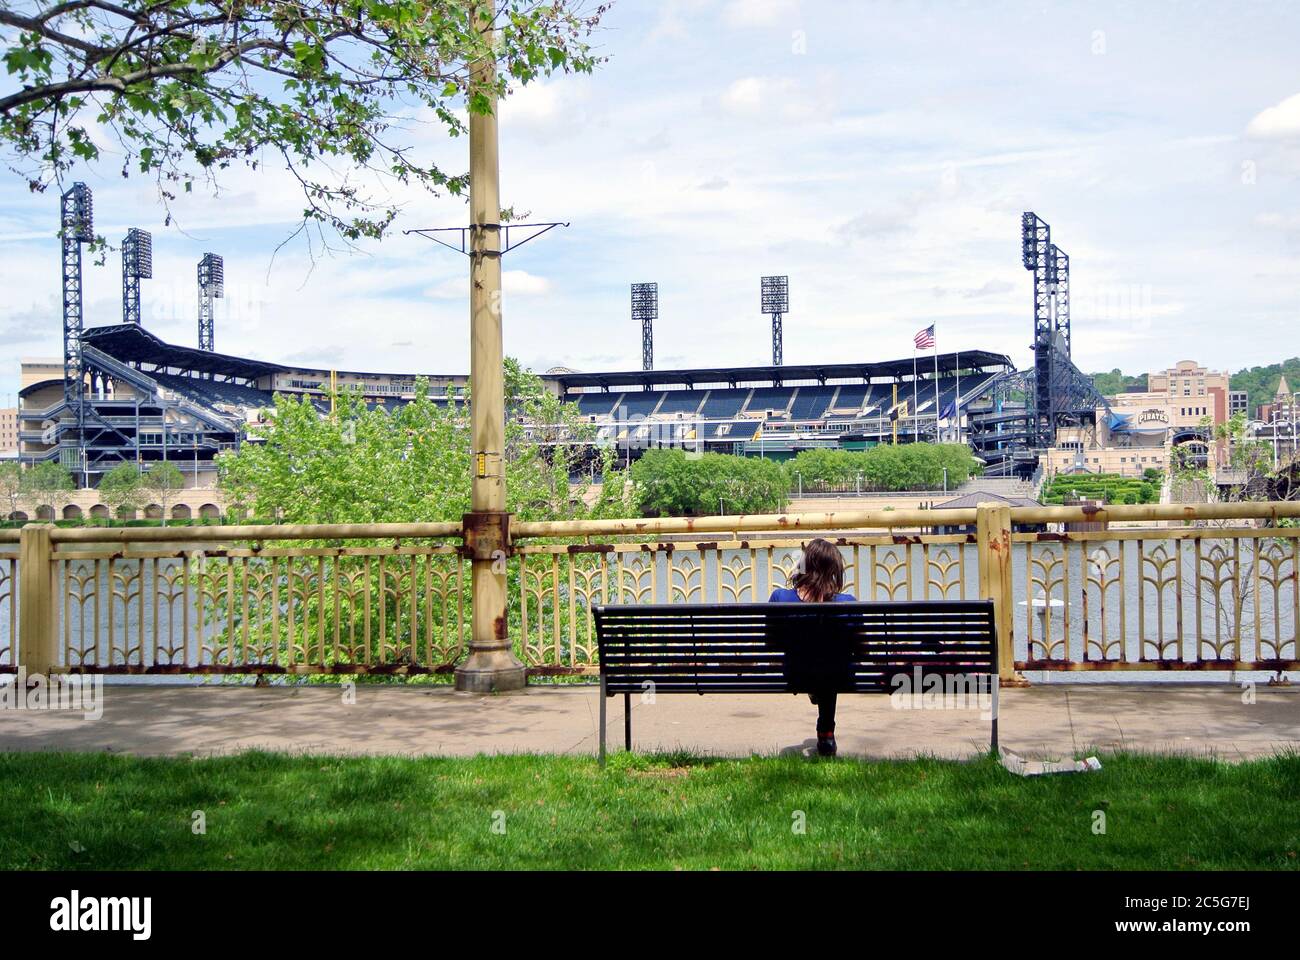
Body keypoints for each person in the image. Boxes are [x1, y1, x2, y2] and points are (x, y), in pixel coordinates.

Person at [767, 538, 855, 756]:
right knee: (829, 665)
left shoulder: (780, 598)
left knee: (820, 665)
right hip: (837, 675)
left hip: (796, 673)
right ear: (835, 569)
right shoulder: (848, 603)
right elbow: (862, 648)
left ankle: (816, 691)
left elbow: (770, 643)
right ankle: (826, 734)